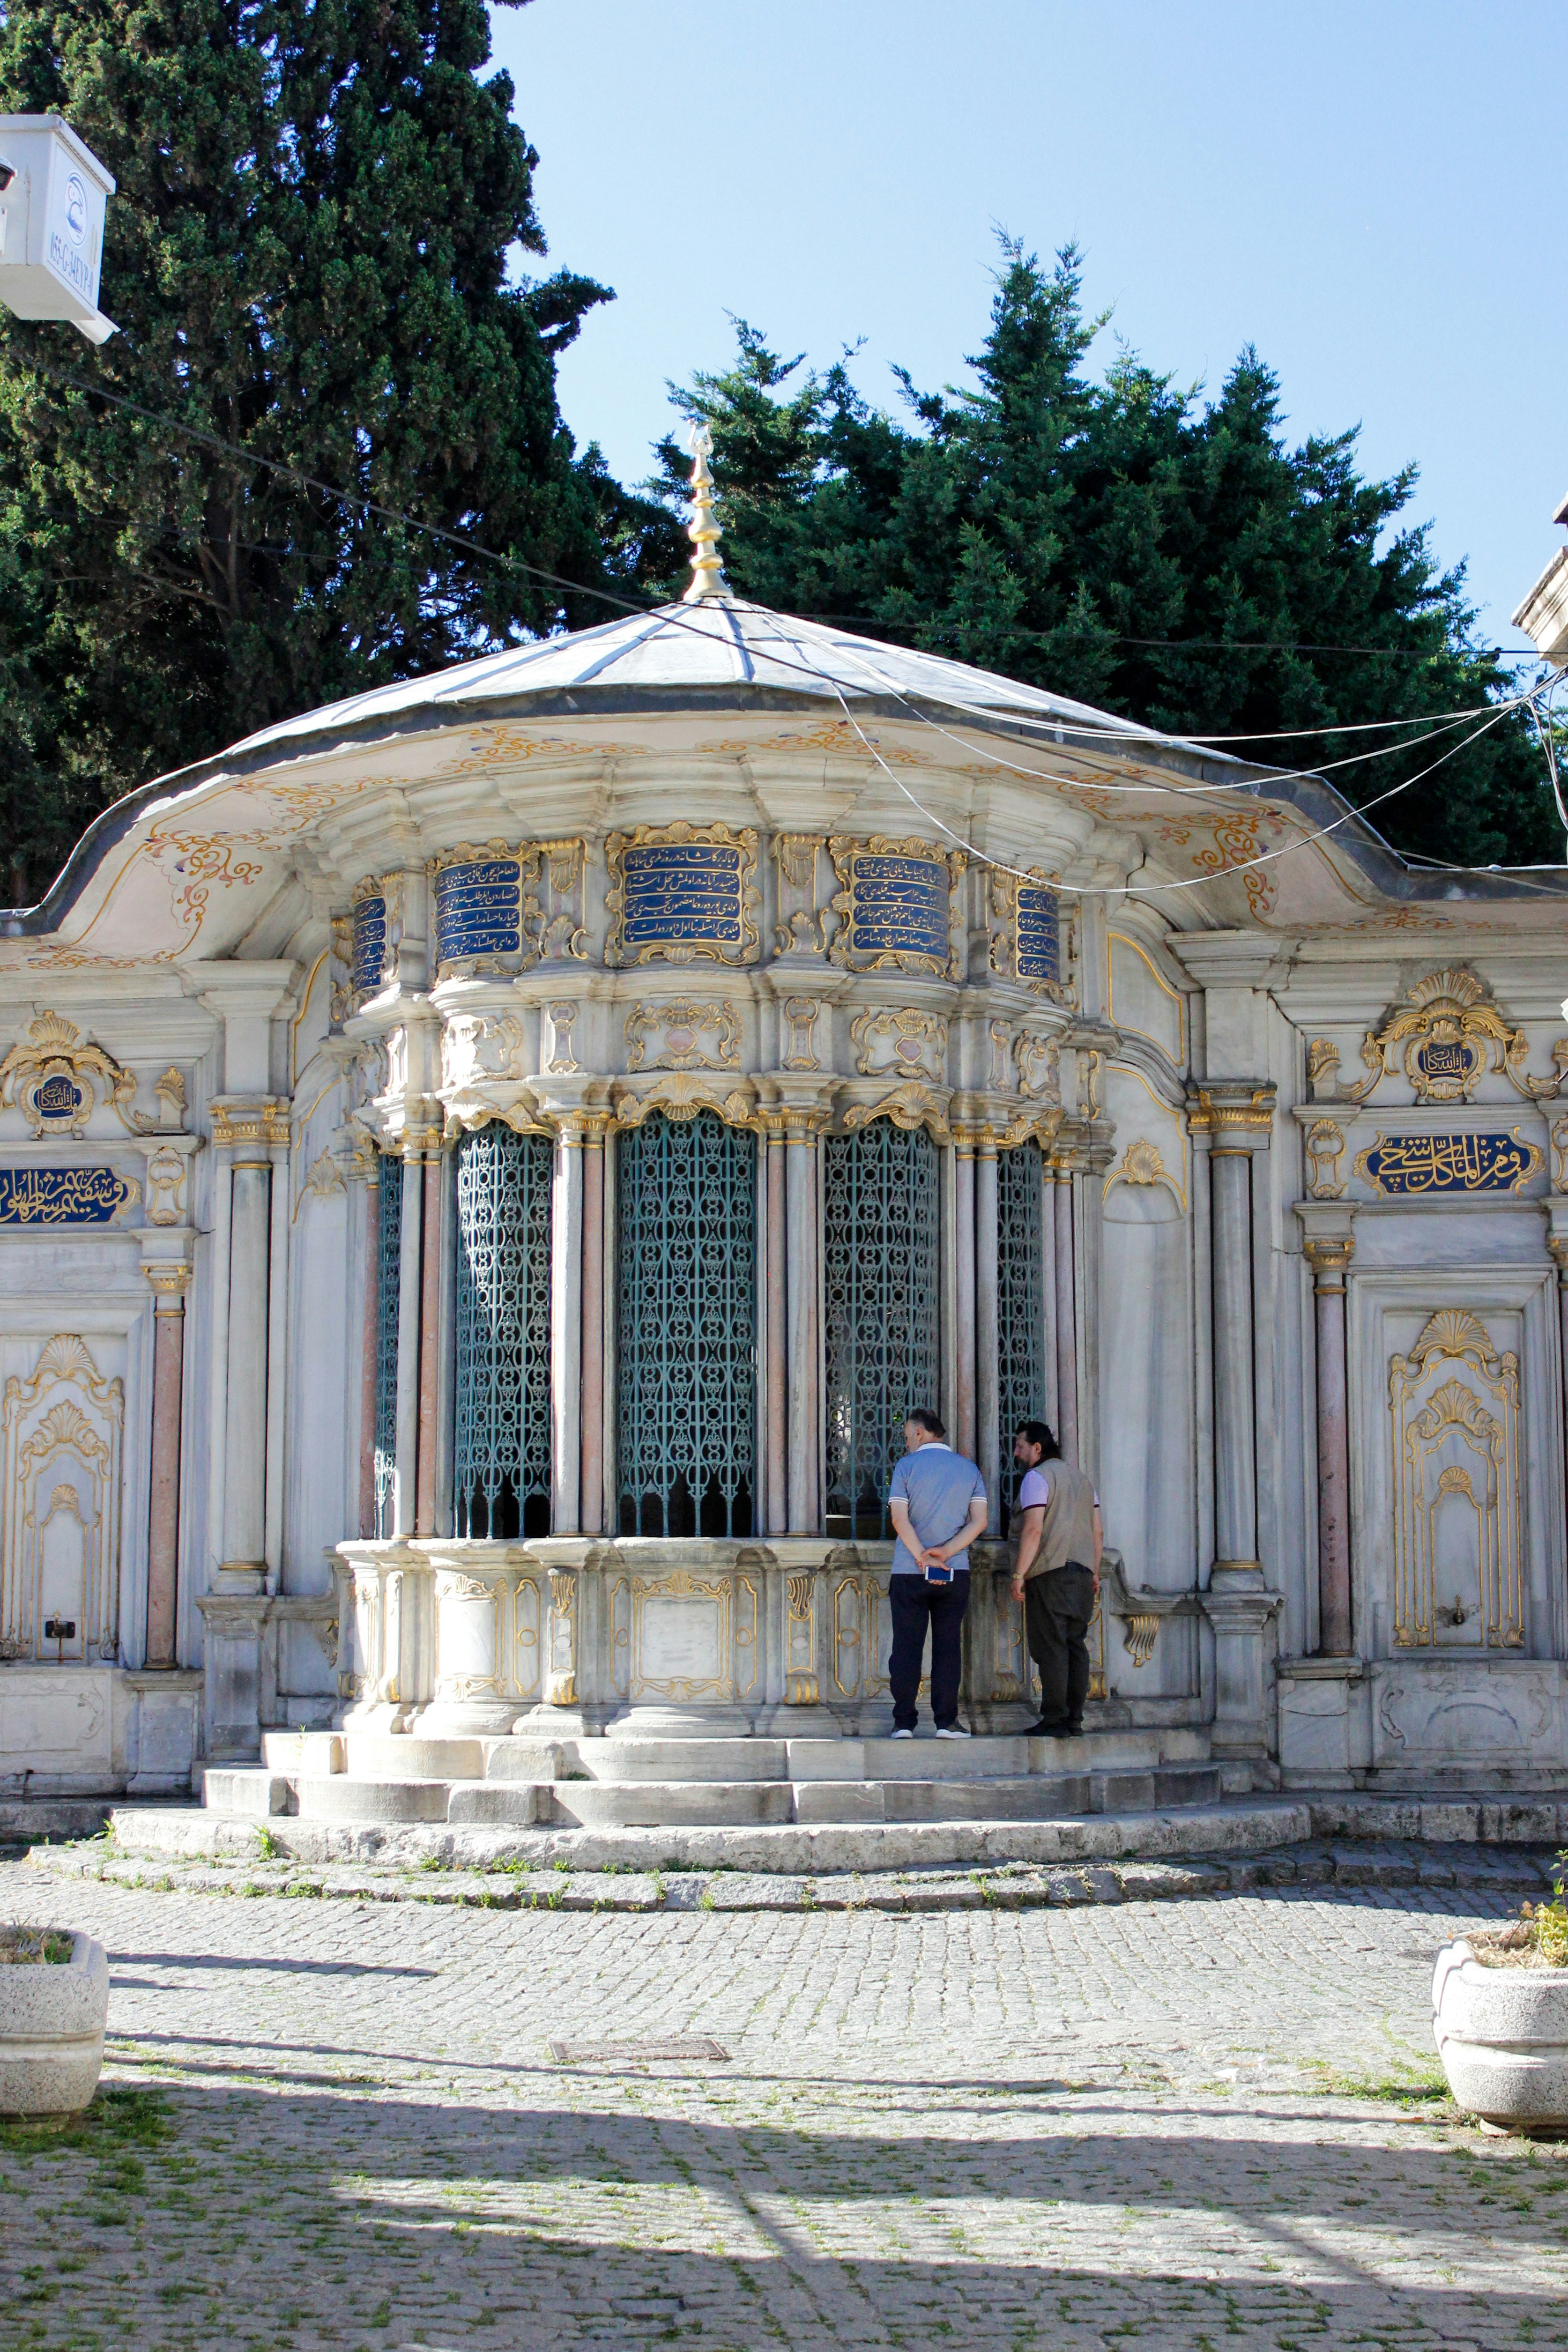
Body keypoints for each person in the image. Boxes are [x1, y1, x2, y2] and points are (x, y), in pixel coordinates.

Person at [885, 1408, 989, 1739]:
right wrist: (945, 1553)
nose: (906, 1443)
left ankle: (904, 1723)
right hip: (953, 1569)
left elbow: (900, 1520)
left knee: (906, 1647)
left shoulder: (906, 1466)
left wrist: (922, 1558)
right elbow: (979, 1521)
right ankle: (946, 1722)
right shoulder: (968, 1469)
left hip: (909, 1571)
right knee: (947, 1647)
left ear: (918, 1433)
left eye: (906, 1436)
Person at [1007, 1419, 1103, 1739]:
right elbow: (1097, 1531)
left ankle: (1053, 1718)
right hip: (1082, 1574)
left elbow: (1033, 1529)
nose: (1016, 1451)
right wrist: (1095, 1571)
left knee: (1052, 1647)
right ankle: (1074, 1719)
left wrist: (1019, 1573)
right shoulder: (1083, 1480)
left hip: (1051, 1572)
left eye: (1020, 1445)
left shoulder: (1037, 1477)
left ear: (1038, 1447)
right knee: (1076, 1646)